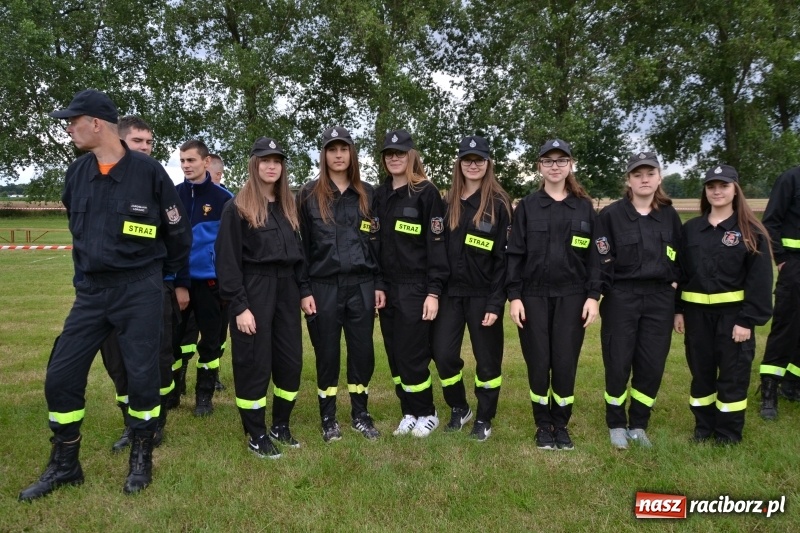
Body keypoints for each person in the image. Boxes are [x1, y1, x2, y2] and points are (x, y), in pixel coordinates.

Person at [19, 89, 191, 501]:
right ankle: (65, 463)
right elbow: (78, 230)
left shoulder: (148, 172)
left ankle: (141, 455)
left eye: (73, 121)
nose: (68, 128)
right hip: (92, 292)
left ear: (96, 123)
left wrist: (156, 277)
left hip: (139, 287)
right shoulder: (77, 173)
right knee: (61, 374)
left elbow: (178, 234)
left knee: (143, 375)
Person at [98, 115, 186, 452]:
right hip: (106, 290)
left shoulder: (155, 179)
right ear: (119, 141)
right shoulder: (99, 180)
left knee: (156, 356)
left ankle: (154, 423)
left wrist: (168, 277)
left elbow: (177, 233)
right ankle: (129, 423)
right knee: (116, 359)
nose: (146, 148)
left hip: (151, 286)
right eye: (138, 141)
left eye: (149, 142)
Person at [506, 139, 600, 451]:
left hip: (572, 297)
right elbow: (515, 254)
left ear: (570, 165)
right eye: (548, 161)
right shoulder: (528, 206)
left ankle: (560, 424)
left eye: (561, 160)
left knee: (564, 362)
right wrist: (514, 296)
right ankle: (542, 425)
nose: (555, 166)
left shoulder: (584, 207)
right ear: (539, 167)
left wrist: (593, 296)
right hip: (533, 296)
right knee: (538, 362)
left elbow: (596, 258)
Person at [215, 137, 305, 458]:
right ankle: (256, 433)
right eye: (265, 160)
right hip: (254, 289)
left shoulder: (288, 206)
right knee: (254, 362)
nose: (271, 166)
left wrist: (305, 290)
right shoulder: (237, 208)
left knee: (290, 360)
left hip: (287, 289)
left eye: (277, 161)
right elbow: (227, 262)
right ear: (254, 165)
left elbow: (299, 255)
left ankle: (281, 424)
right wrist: (240, 306)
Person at [674, 164, 773, 445]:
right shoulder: (691, 229)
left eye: (723, 186)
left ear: (735, 190)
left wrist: (747, 320)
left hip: (734, 319)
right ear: (705, 191)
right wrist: (678, 310)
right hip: (696, 317)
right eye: (711, 186)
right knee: (701, 374)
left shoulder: (751, 231)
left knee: (733, 376)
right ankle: (703, 428)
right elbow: (680, 273)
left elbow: (760, 280)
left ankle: (728, 433)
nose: (717, 191)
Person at [297, 127, 382, 442]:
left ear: (352, 153)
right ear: (324, 155)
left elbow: (378, 244)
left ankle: (361, 414)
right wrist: (304, 289)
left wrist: (379, 284)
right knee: (327, 353)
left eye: (343, 149)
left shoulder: (368, 194)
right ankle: (328, 417)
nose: (338, 155)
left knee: (362, 352)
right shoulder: (308, 195)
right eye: (332, 149)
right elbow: (301, 247)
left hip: (361, 284)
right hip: (324, 286)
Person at [594, 152, 682, 449]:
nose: (644, 179)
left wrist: (676, 298)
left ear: (659, 178)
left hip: (660, 299)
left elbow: (682, 258)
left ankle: (639, 424)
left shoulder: (669, 215)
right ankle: (617, 423)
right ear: (628, 180)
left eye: (650, 174)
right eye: (637, 174)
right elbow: (599, 259)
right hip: (622, 297)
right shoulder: (611, 215)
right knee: (618, 362)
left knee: (651, 364)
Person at [430, 135, 511, 441]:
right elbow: (436, 250)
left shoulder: (499, 204)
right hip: (451, 294)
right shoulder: (447, 202)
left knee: (487, 361)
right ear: (459, 164)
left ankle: (485, 416)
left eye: (479, 160)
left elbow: (504, 260)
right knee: (443, 354)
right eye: (467, 160)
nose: (473, 165)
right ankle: (459, 407)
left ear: (488, 164)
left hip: (483, 295)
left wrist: (495, 303)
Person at [374, 129, 449, 437]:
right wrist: (378, 284)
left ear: (411, 156)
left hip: (416, 286)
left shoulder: (426, 193)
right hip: (387, 287)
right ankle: (408, 410)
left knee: (413, 353)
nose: (394, 158)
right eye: (389, 154)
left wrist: (433, 291)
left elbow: (437, 246)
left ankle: (427, 412)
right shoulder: (379, 195)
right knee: (394, 353)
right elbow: (375, 243)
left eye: (400, 153)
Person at [174, 139, 234, 416]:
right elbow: (170, 243)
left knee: (210, 343)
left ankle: (204, 396)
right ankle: (173, 392)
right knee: (174, 342)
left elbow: (230, 246)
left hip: (210, 284)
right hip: (179, 284)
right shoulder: (173, 196)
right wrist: (178, 282)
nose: (186, 165)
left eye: (191, 160)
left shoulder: (224, 199)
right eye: (182, 161)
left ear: (206, 162)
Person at [757, 164, 800, 419]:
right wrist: (782, 259)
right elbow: (770, 222)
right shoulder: (791, 178)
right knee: (786, 329)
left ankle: (792, 384)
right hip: (795, 265)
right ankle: (769, 391)